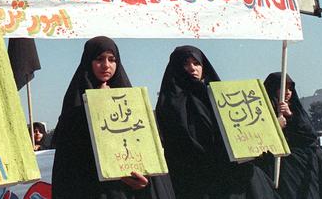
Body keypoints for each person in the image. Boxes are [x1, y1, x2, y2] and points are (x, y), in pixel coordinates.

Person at [51, 36, 175, 199]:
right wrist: (98, 104)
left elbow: (144, 149)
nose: (106, 65)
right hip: (89, 190)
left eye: (112, 59)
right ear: (88, 62)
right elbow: (68, 158)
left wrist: (145, 182)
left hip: (125, 191)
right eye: (99, 59)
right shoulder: (75, 105)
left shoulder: (131, 101)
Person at [155, 45, 278, 199]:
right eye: (186, 64)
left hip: (232, 178)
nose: (192, 68)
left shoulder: (221, 98)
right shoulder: (169, 104)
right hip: (194, 182)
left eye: (197, 63)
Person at [262, 72, 322, 199]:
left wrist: (290, 115)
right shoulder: (263, 109)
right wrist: (276, 124)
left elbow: (309, 135)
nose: (287, 92)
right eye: (283, 88)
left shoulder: (297, 110)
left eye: (290, 89)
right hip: (276, 164)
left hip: (300, 164)